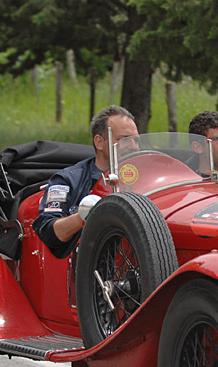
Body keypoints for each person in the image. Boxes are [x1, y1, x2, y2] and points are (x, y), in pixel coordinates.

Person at [33, 105, 139, 258]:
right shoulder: (68, 180)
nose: (134, 146)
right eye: (124, 140)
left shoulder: (146, 177)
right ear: (99, 142)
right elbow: (50, 232)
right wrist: (84, 214)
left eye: (136, 140)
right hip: (84, 269)